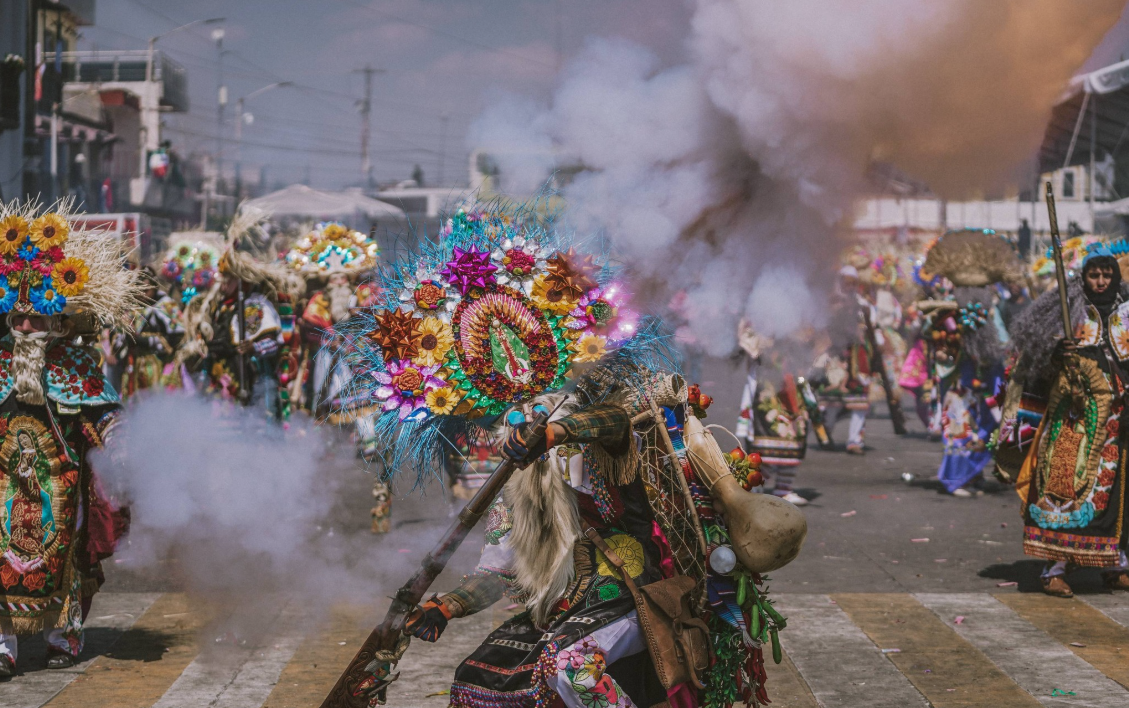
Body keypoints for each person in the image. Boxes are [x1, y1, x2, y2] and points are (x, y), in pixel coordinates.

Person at [334, 205, 788, 707]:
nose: (525, 413)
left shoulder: (603, 419)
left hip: (631, 587)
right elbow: (504, 569)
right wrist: (448, 605)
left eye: (540, 402)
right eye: (517, 409)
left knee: (572, 667)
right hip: (562, 600)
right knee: (474, 677)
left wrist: (557, 433)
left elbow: (613, 428)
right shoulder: (522, 473)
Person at [0, 203, 139, 675]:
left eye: (35, 319)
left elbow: (106, 413)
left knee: (68, 562)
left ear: (59, 323)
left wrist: (119, 445)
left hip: (63, 490)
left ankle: (63, 638)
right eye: (17, 318)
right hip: (4, 492)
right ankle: (3, 648)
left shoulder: (75, 366)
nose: (24, 328)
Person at [1007, 244, 1129, 597]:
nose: (1101, 281)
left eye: (1107, 274)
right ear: (1084, 276)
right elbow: (1032, 354)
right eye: (1094, 274)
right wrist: (1056, 351)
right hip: (1075, 417)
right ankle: (1054, 569)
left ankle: (1114, 563)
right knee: (1064, 486)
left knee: (1117, 492)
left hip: (1120, 421)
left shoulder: (1126, 311)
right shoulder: (1067, 308)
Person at [734, 320, 809, 505]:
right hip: (766, 389)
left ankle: (784, 489)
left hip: (790, 385)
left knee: (795, 436)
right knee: (767, 443)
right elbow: (749, 347)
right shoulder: (752, 320)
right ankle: (754, 483)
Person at [810, 266, 873, 454]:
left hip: (857, 357)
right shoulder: (831, 302)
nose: (849, 286)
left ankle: (855, 441)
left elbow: (870, 328)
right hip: (835, 354)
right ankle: (825, 434)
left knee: (860, 400)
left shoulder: (863, 304)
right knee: (831, 400)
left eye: (853, 283)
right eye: (846, 282)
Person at [113, 267, 184, 400]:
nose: (143, 294)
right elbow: (117, 339)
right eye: (138, 290)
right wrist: (124, 336)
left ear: (155, 287)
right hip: (135, 365)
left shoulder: (166, 306)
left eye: (146, 290)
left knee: (158, 403)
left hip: (159, 365)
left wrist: (142, 340)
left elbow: (176, 338)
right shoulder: (130, 309)